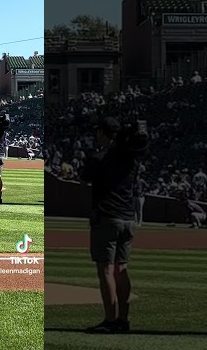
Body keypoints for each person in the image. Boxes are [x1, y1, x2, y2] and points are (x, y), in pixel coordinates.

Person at [80, 117, 147, 334]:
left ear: (102, 132)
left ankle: (110, 320)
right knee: (122, 269)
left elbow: (84, 177)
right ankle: (123, 319)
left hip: (107, 218)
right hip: (128, 218)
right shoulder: (132, 159)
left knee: (106, 270)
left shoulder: (100, 157)